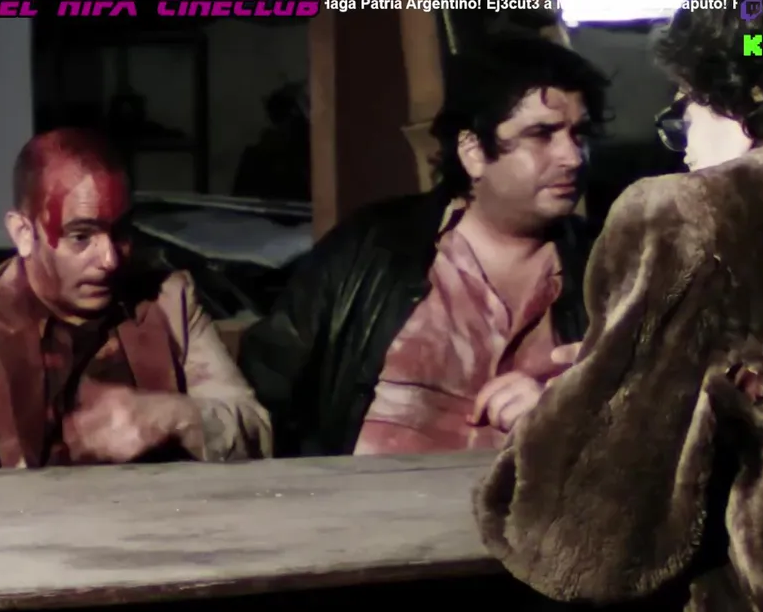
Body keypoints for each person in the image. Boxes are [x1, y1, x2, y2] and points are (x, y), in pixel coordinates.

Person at [473, 0, 763, 612]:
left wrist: (564, 416)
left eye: (683, 111)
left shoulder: (700, 216)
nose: (683, 145)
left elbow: (580, 543)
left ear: (738, 92)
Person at [238, 36, 607, 458]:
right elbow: (266, 393)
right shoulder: (375, 250)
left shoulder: (610, 267)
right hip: (365, 499)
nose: (572, 157)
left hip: (533, 500)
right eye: (541, 135)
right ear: (473, 151)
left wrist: (570, 411)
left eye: (580, 134)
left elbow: (651, 417)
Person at [0, 128, 271, 469]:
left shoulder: (167, 300)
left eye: (120, 232)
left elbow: (257, 431)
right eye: (81, 237)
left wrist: (175, 417)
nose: (110, 259)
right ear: (23, 233)